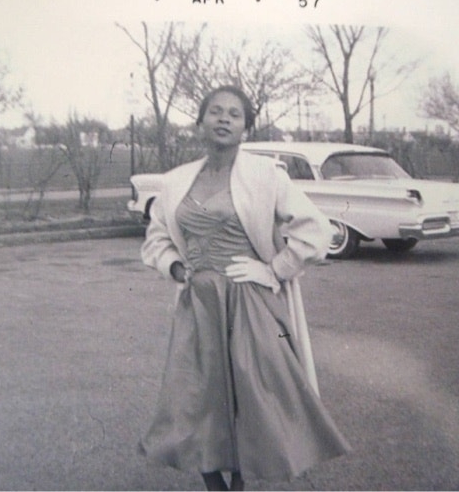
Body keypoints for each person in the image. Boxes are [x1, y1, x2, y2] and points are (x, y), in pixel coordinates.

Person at [139, 85, 350, 490]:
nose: (223, 119)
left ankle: (237, 486)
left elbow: (315, 231)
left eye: (234, 114)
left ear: (245, 127)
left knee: (249, 400)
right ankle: (214, 486)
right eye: (215, 112)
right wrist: (179, 269)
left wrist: (273, 269)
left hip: (247, 303)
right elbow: (157, 239)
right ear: (200, 122)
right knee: (193, 400)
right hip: (197, 305)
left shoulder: (264, 175)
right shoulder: (176, 181)